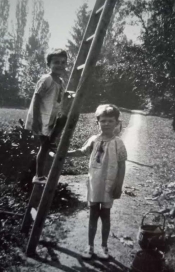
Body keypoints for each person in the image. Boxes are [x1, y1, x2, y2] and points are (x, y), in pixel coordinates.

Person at [67, 104, 127, 260]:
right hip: (94, 183)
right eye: (103, 121)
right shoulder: (94, 140)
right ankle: (90, 245)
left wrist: (118, 186)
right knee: (93, 214)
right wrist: (65, 153)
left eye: (110, 121)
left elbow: (121, 165)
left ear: (116, 123)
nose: (106, 124)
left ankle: (104, 246)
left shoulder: (118, 143)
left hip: (110, 184)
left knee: (105, 215)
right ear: (98, 122)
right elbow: (82, 152)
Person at [25, 48, 71, 184]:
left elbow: (58, 95)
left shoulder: (60, 81)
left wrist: (67, 94)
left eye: (63, 62)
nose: (60, 65)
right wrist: (36, 120)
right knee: (44, 147)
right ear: (49, 64)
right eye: (56, 62)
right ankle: (38, 176)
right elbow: (37, 97)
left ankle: (52, 142)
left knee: (63, 119)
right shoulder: (46, 79)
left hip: (51, 117)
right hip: (41, 118)